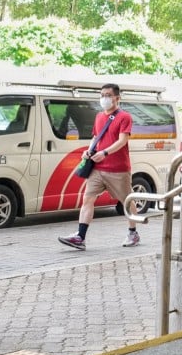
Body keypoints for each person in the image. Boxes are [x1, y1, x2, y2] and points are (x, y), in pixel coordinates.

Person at [58, 83, 138, 250]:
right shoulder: (99, 116)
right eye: (102, 95)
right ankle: (80, 237)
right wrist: (88, 151)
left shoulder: (125, 117)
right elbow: (96, 137)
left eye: (108, 95)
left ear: (117, 98)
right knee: (87, 199)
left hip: (118, 169)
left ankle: (133, 232)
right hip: (98, 168)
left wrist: (105, 153)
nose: (104, 98)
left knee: (127, 201)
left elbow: (122, 140)